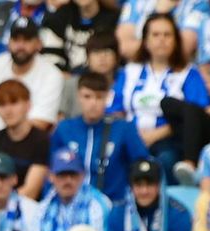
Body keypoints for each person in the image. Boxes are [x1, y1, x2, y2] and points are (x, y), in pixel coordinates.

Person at [112, 13, 210, 174]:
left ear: (175, 41)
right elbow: (114, 111)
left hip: (170, 140)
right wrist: (131, 134)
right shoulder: (129, 72)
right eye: (156, 35)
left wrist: (155, 135)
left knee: (166, 159)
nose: (161, 40)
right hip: (130, 135)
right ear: (145, 41)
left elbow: (196, 116)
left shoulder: (189, 74)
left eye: (167, 35)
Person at [51, 71, 151, 206]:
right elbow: (51, 168)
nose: (93, 103)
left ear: (108, 98)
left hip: (113, 206)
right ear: (78, 96)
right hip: (70, 205)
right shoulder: (64, 128)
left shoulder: (124, 129)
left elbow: (142, 166)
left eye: (99, 97)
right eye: (87, 97)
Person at [0, 17, 61, 138]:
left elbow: (39, 124)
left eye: (27, 40)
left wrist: (0, 145)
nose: (20, 46)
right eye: (16, 40)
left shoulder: (51, 74)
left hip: (25, 146)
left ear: (39, 44)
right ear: (8, 42)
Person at [103, 159, 191, 231]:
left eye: (149, 184)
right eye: (139, 185)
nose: (144, 191)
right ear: (131, 187)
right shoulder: (119, 212)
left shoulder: (178, 213)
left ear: (159, 185)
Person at [37, 147, 111, 231]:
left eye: (73, 175)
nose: (68, 180)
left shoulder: (97, 203)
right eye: (62, 175)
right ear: (51, 176)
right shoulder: (44, 206)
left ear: (82, 176)